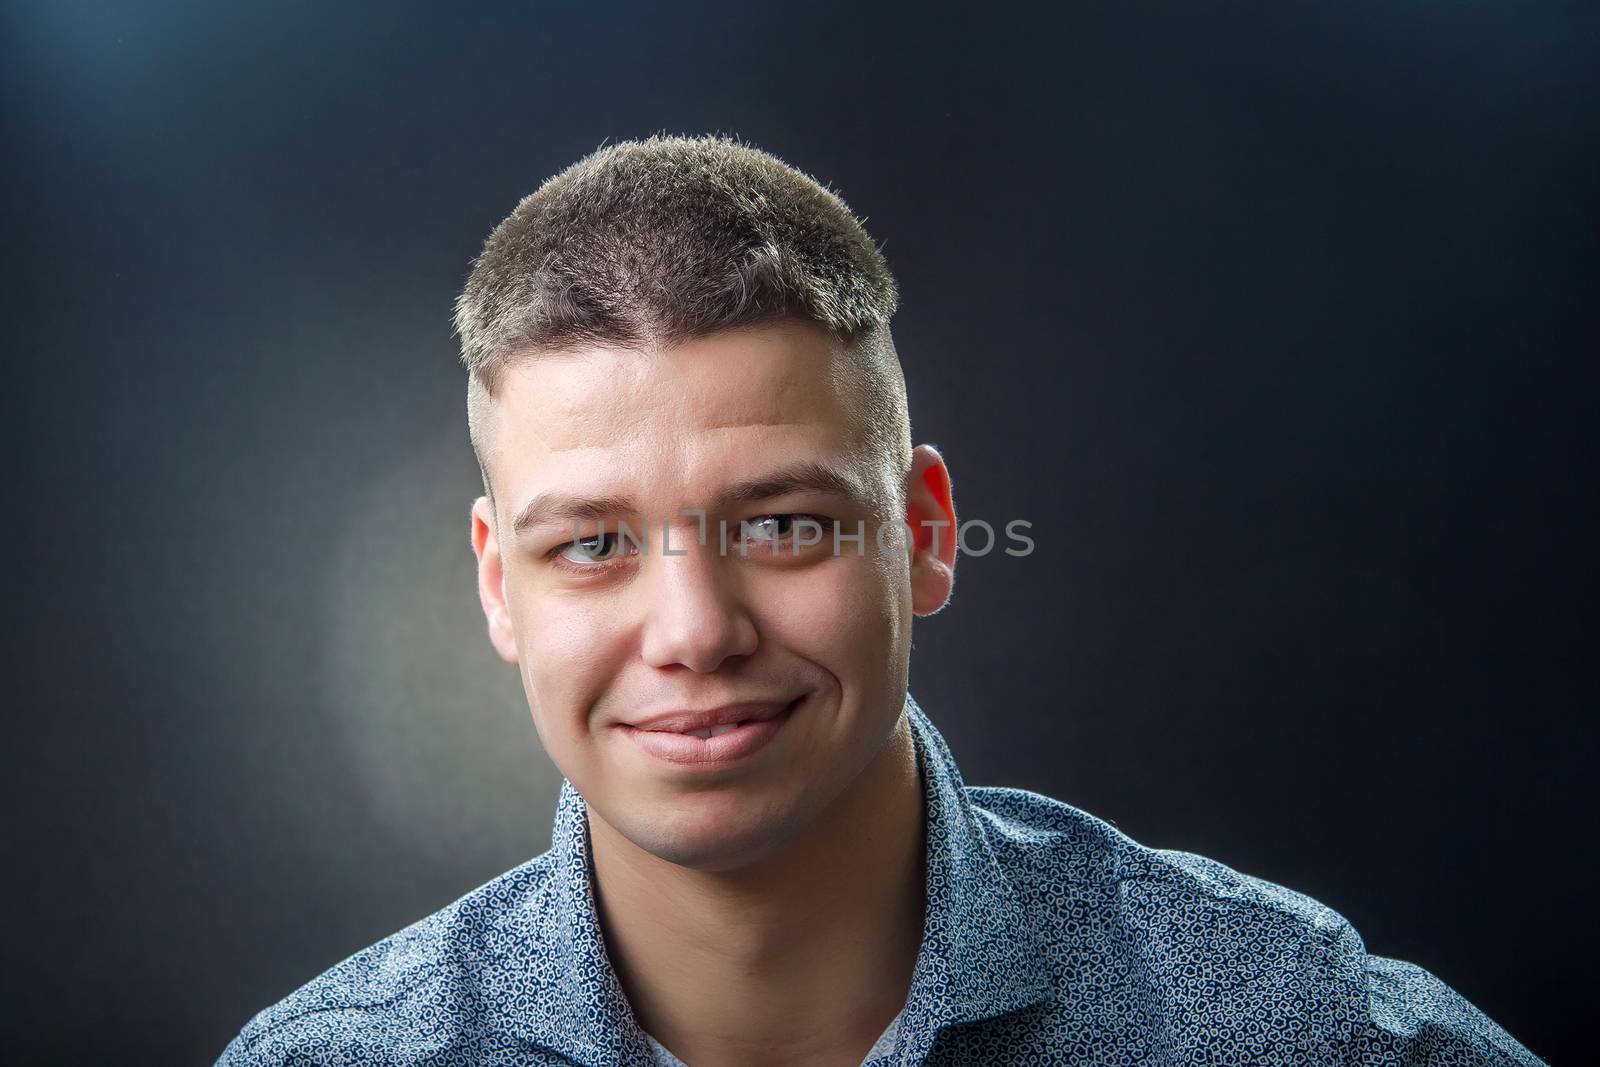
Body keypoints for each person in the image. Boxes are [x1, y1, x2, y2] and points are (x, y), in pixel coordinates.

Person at [217, 134, 1544, 1066]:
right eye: (593, 545)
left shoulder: (1284, 1033)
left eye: (785, 524)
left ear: (925, 535)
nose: (694, 631)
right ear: (501, 587)